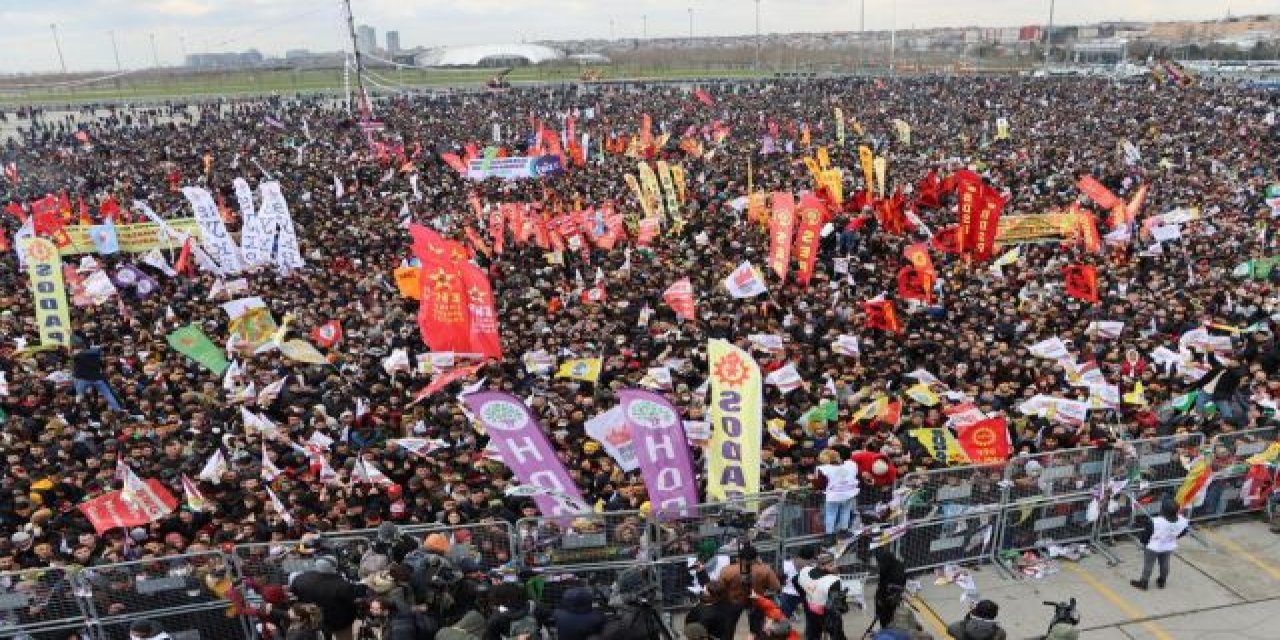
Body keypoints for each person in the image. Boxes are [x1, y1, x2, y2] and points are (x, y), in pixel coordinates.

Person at [715, 545, 782, 638]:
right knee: (757, 630)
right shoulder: (765, 570)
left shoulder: (727, 570)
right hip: (756, 600)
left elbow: (719, 588)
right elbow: (776, 587)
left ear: (739, 557)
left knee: (728, 628)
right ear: (756, 557)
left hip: (733, 601)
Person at [1131, 500, 1190, 590]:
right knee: (1165, 563)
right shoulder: (1182, 521)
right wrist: (1174, 537)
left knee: (1149, 564)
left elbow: (1146, 535)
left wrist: (1144, 542)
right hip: (1168, 545)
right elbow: (1184, 531)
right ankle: (1162, 580)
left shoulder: (1155, 522)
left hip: (1153, 547)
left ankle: (1144, 582)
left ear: (1162, 511)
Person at [796, 552, 847, 640]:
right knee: (837, 635)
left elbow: (795, 580)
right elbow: (835, 606)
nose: (835, 566)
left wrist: (805, 596)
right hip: (826, 613)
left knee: (813, 635)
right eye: (831, 565)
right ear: (821, 566)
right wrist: (844, 606)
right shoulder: (833, 581)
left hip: (811, 609)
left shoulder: (805, 570)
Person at [815, 449, 860, 534]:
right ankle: (844, 530)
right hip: (849, 493)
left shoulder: (824, 469)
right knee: (845, 511)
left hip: (834, 495)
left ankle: (829, 535)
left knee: (830, 514)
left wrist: (815, 485)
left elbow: (821, 484)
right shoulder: (850, 465)